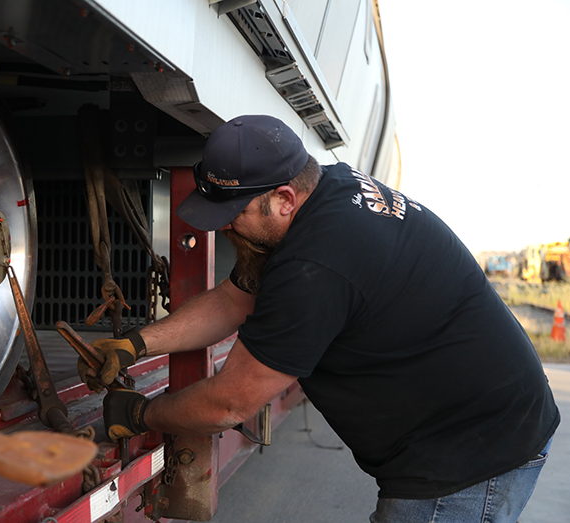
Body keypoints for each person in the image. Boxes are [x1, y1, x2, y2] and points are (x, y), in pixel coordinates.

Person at [77, 115, 560, 522]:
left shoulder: (317, 265)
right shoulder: (328, 193)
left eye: (233, 211)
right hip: (482, 425)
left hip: (470, 456)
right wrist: (137, 344)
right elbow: (233, 299)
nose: (224, 225)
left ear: (284, 198)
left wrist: (142, 414)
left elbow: (229, 403)